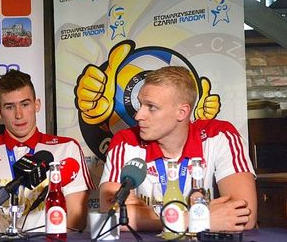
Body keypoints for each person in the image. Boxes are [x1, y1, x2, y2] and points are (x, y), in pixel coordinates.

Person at [99, 66, 257, 232]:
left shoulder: (219, 136)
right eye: (140, 104)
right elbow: (111, 213)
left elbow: (245, 216)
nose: (138, 115)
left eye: (151, 107)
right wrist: (194, 219)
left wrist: (142, 213)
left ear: (182, 112)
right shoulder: (126, 141)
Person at [0, 69, 95, 233]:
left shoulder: (67, 148)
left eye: (25, 104)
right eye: (10, 107)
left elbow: (77, 217)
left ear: (37, 105)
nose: (18, 115)